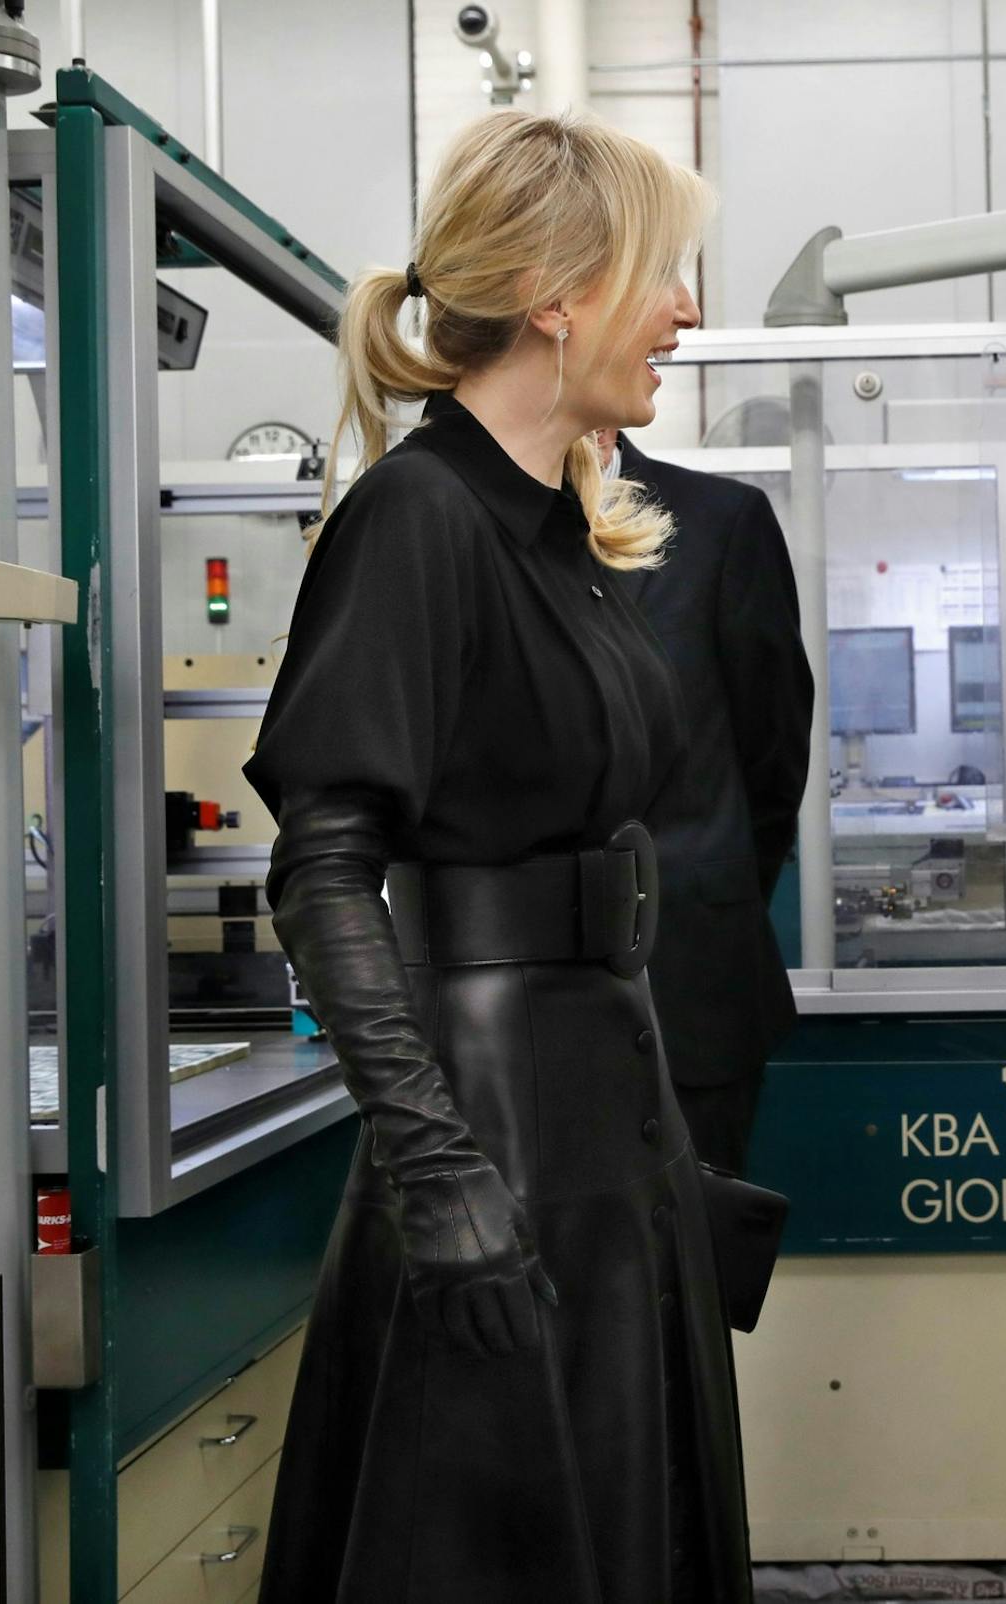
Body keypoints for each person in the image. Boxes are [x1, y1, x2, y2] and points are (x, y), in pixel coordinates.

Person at [246, 112, 751, 1601]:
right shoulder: (421, 516)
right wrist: (433, 1167)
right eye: (666, 275)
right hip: (496, 1129)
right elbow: (323, 868)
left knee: (616, 1528)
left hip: (602, 1108)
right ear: (560, 295)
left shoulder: (560, 530)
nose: (686, 311)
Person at [592, 427, 813, 1176]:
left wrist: (700, 895)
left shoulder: (720, 521)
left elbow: (773, 753)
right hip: (507, 1007)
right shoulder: (456, 515)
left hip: (692, 983)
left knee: (697, 1269)